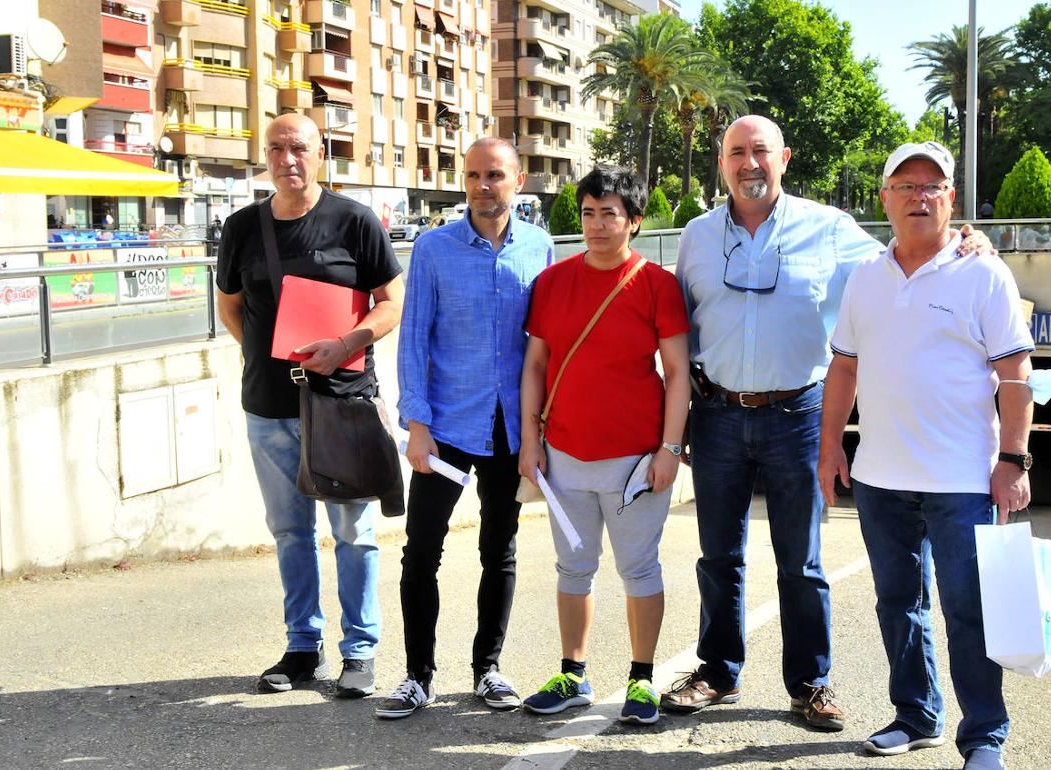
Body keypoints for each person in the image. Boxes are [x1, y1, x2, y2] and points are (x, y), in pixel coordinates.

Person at [664, 116, 993, 730]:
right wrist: (675, 419)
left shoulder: (832, 229)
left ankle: (810, 683)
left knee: (802, 561)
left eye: (761, 150)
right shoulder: (697, 236)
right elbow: (679, 330)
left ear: (784, 157)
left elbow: (907, 263)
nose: (749, 163)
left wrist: (967, 241)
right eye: (736, 152)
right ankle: (717, 670)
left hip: (798, 413)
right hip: (715, 414)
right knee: (718, 555)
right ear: (721, 162)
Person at [818, 141, 1034, 770]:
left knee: (969, 609)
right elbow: (843, 368)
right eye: (904, 186)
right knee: (897, 604)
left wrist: (1013, 461)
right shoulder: (865, 276)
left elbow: (1016, 376)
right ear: (883, 199)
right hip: (880, 477)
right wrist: (832, 446)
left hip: (963, 479)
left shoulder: (984, 272)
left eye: (931, 186)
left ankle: (985, 736)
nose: (918, 196)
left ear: (951, 200)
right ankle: (917, 715)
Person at [216, 113, 405, 698]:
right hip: (269, 405)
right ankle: (302, 648)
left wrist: (346, 344)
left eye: (299, 147)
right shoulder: (242, 226)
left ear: (321, 154)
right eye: (276, 148)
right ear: (264, 156)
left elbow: (390, 303)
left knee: (355, 531)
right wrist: (277, 358)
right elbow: (230, 308)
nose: (287, 158)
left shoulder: (355, 220)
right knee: (290, 532)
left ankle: (360, 652)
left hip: (343, 402)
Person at [376, 137, 555, 719]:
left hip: (511, 428)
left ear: (517, 181)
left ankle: (488, 670)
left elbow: (545, 344)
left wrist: (540, 429)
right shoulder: (432, 249)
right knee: (421, 551)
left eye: (495, 175)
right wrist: (417, 424)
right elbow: (413, 339)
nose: (483, 185)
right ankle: (416, 676)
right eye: (474, 175)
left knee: (498, 550)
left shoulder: (540, 247)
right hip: (447, 426)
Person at [518, 166, 690, 725]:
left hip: (637, 459)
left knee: (639, 569)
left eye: (609, 213)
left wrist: (670, 448)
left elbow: (678, 373)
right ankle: (573, 673)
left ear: (634, 222)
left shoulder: (657, 285)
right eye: (588, 212)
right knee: (574, 569)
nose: (595, 224)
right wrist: (530, 442)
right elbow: (536, 365)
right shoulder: (551, 282)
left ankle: (642, 681)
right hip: (564, 453)